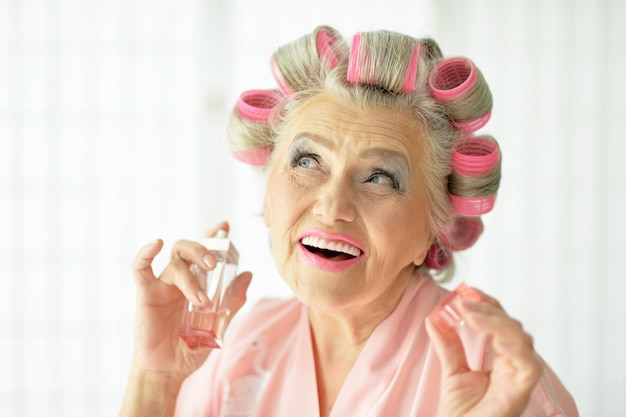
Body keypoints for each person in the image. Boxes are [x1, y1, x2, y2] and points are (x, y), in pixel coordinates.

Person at [120, 26, 578, 417]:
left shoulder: (495, 375)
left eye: (380, 177)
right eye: (307, 161)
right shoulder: (239, 345)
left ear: (433, 230)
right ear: (268, 192)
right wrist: (155, 382)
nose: (332, 205)